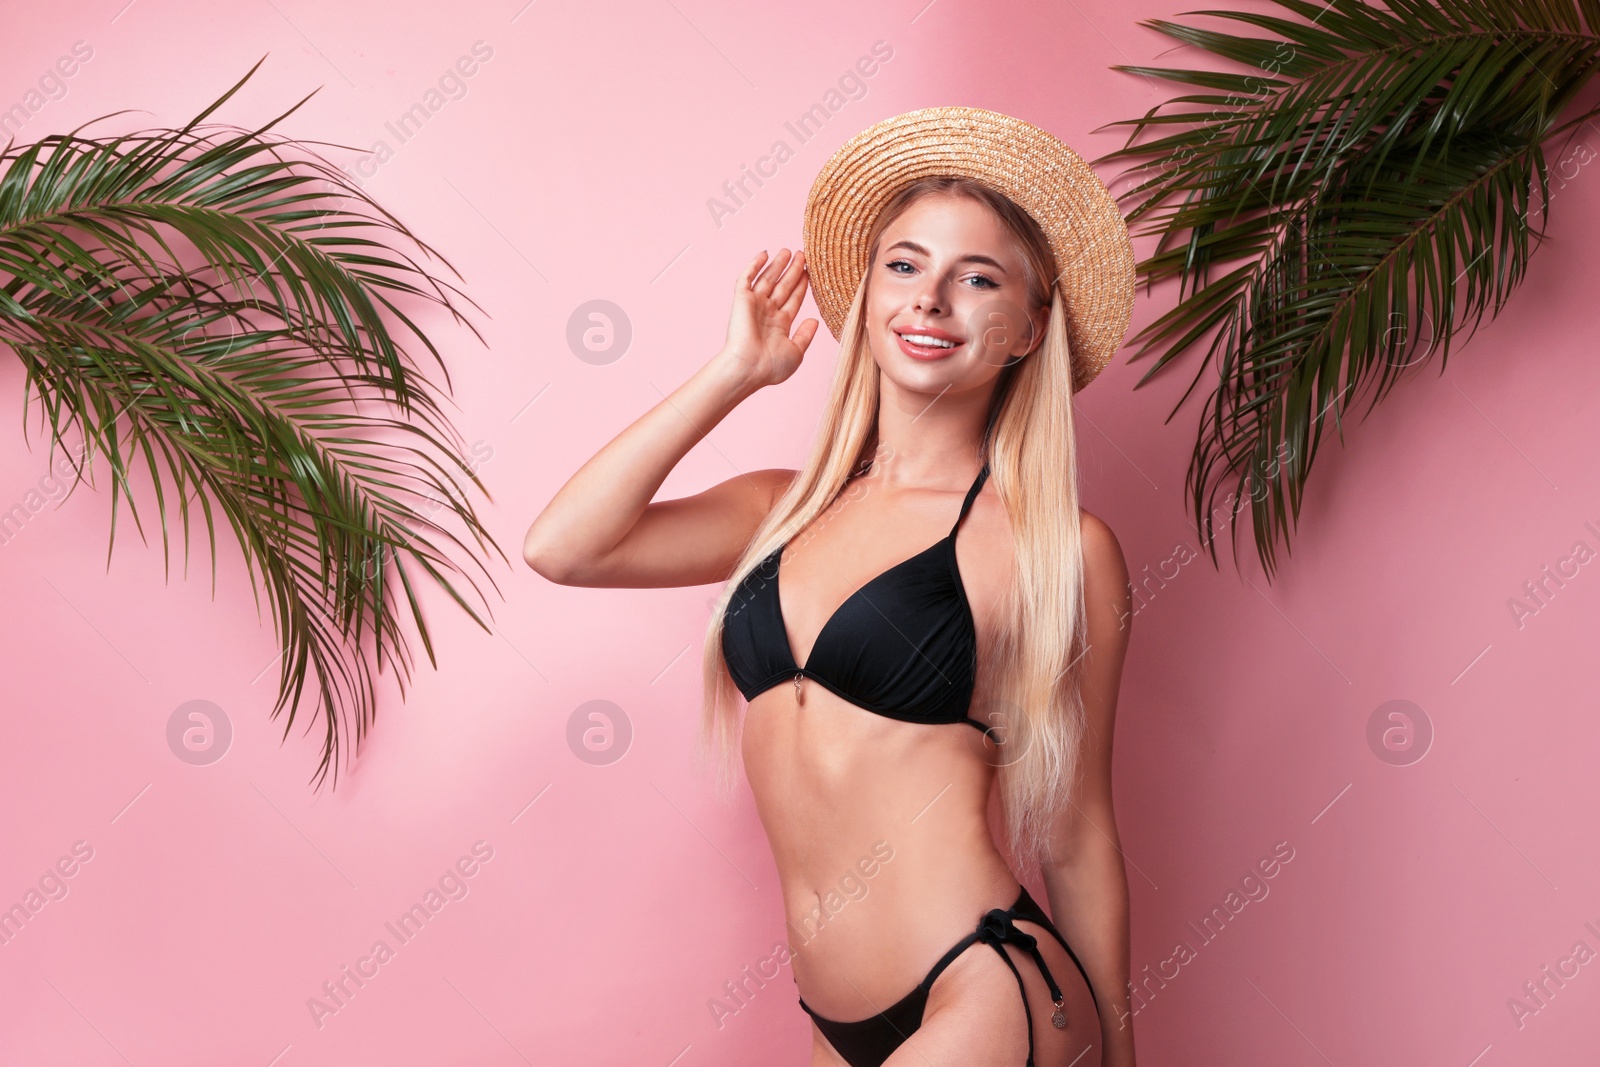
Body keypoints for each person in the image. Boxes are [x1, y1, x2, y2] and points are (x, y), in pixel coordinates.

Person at [525, 107, 1138, 1067]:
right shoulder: (778, 511)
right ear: (865, 293)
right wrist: (735, 372)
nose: (930, 298)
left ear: (1028, 330)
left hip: (985, 986)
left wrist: (1123, 1050)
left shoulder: (1059, 550)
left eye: (978, 278)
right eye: (904, 264)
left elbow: (1076, 831)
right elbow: (565, 547)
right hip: (832, 1020)